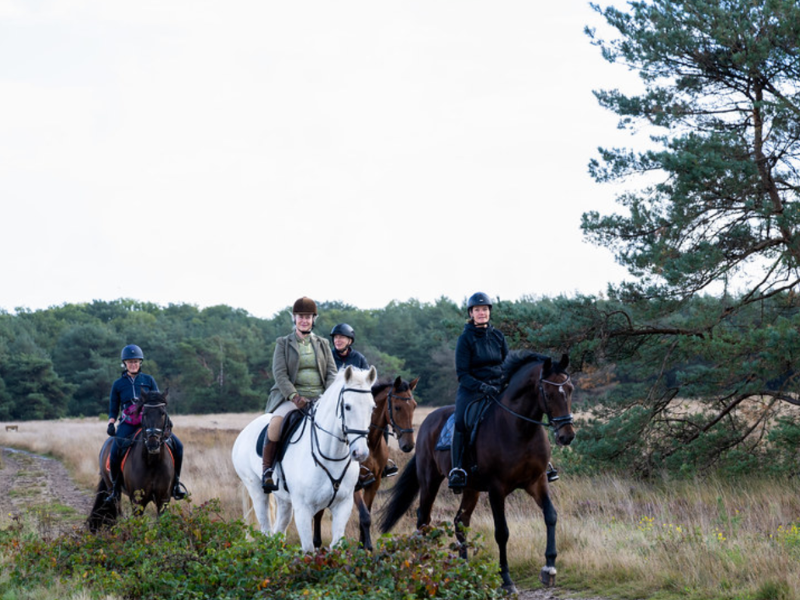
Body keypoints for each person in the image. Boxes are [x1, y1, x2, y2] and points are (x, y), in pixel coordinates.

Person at [261, 297, 338, 493]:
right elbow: (280, 374)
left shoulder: (322, 343)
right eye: (301, 317)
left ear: (314, 319)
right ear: (294, 318)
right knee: (276, 423)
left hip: (320, 399)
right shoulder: (283, 343)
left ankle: (357, 468)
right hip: (292, 399)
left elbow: (331, 373)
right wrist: (295, 397)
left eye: (308, 317)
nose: (305, 320)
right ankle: (267, 470)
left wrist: (328, 396)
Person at [105, 344, 186, 503]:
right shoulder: (118, 384)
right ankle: (115, 489)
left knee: (179, 446)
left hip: (149, 421)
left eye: (136, 361)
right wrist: (111, 423)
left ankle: (175, 485)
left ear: (140, 362)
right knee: (115, 450)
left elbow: (158, 400)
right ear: (125, 363)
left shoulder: (148, 380)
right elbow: (113, 407)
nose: (133, 364)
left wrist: (165, 420)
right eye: (130, 362)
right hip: (128, 423)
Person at [448, 292, 510, 492]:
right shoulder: (465, 339)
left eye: (484, 309)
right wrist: (483, 386)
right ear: (471, 313)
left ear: (489, 311)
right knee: (460, 421)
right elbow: (462, 374)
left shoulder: (498, 336)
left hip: (498, 388)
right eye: (477, 310)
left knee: (524, 410)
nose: (481, 313)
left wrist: (504, 383)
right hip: (473, 390)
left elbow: (507, 364)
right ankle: (457, 468)